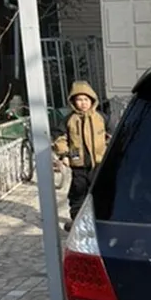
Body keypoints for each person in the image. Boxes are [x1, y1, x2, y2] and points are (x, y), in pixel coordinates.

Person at [53, 80, 111, 232]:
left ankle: (99, 220)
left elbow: (111, 136)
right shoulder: (69, 120)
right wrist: (64, 154)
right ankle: (77, 220)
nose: (83, 103)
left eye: (86, 99)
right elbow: (60, 138)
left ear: (92, 100)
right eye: (79, 100)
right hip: (78, 164)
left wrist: (111, 152)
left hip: (99, 163)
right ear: (73, 101)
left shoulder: (101, 118)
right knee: (78, 191)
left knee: (99, 191)